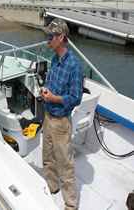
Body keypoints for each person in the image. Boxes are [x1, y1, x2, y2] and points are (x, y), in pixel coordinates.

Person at [39, 18, 83, 210]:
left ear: (61, 37)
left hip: (61, 122)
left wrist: (55, 99)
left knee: (65, 165)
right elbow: (51, 82)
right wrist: (45, 90)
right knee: (47, 157)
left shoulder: (73, 64)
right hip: (48, 117)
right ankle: (52, 186)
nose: (47, 40)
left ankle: (71, 205)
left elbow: (76, 98)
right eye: (47, 36)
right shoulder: (55, 59)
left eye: (50, 36)